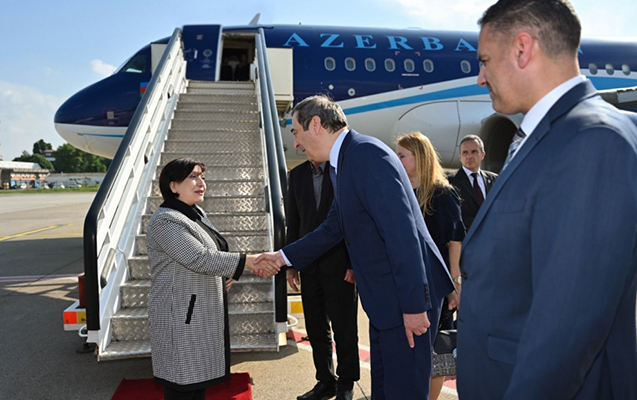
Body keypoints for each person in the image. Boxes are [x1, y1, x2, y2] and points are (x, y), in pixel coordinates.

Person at [457, 1, 637, 399]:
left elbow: (566, 332)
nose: (480, 78)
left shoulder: (593, 141)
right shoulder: (549, 137)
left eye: (484, 61)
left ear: (523, 49)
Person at [256, 95, 455, 400]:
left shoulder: (366, 156)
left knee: (404, 390)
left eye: (296, 132)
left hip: (407, 298)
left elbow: (402, 234)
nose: (295, 143)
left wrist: (414, 306)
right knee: (385, 389)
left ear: (316, 124)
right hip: (387, 299)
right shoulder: (345, 162)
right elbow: (333, 227)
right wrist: (282, 257)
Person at [145, 158, 279, 400]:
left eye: (202, 177)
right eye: (193, 177)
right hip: (181, 316)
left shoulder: (195, 214)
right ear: (173, 186)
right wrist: (249, 261)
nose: (201, 183)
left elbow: (213, 253)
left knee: (196, 382)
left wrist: (226, 274)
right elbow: (198, 258)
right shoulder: (166, 220)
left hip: (199, 312)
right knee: (182, 384)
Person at [395, 132, 464, 400]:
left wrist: (454, 284)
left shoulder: (442, 194)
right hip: (406, 284)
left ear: (420, 157)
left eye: (402, 155)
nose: (397, 160)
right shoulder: (399, 191)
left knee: (434, 353)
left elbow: (455, 241)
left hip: (436, 286)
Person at [286, 158, 359, 400]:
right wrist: (291, 264)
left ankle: (346, 383)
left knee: (344, 328)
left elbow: (355, 221)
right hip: (309, 267)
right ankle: (326, 382)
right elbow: (293, 221)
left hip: (340, 266)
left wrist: (353, 264)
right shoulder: (297, 175)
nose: (299, 144)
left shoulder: (343, 171)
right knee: (316, 328)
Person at [448, 135, 497, 230]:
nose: (469, 156)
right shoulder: (450, 182)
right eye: (465, 152)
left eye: (474, 152)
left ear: (483, 155)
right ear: (460, 156)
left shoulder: (494, 179)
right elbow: (453, 215)